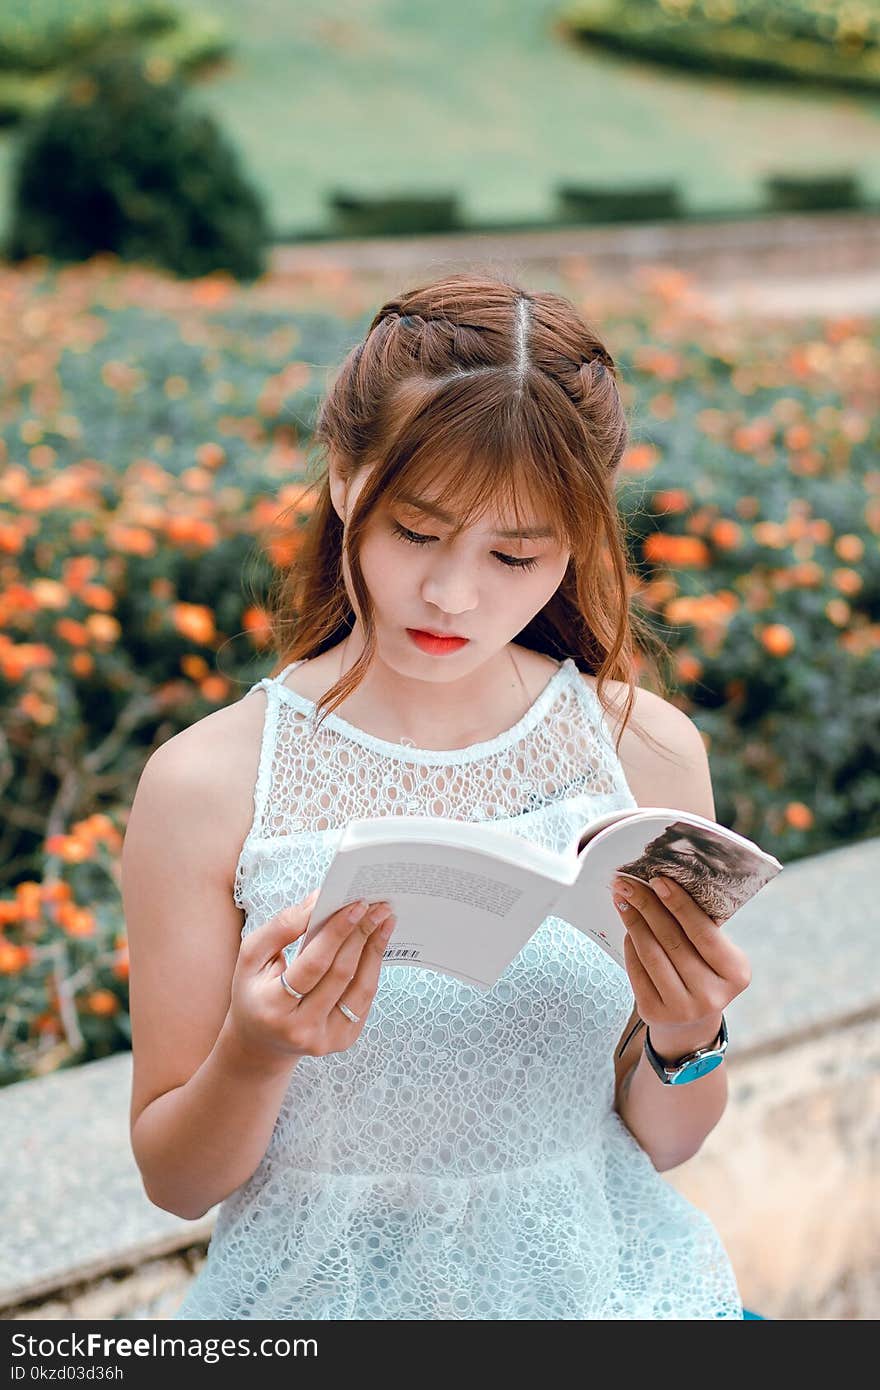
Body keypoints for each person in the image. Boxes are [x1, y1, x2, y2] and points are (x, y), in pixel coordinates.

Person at [123, 271, 757, 1320]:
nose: (454, 594)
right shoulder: (208, 782)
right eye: (416, 531)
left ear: (579, 539)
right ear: (343, 477)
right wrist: (257, 1048)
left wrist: (686, 1035)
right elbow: (177, 1181)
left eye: (517, 553)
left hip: (613, 1292)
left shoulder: (641, 753)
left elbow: (667, 1142)